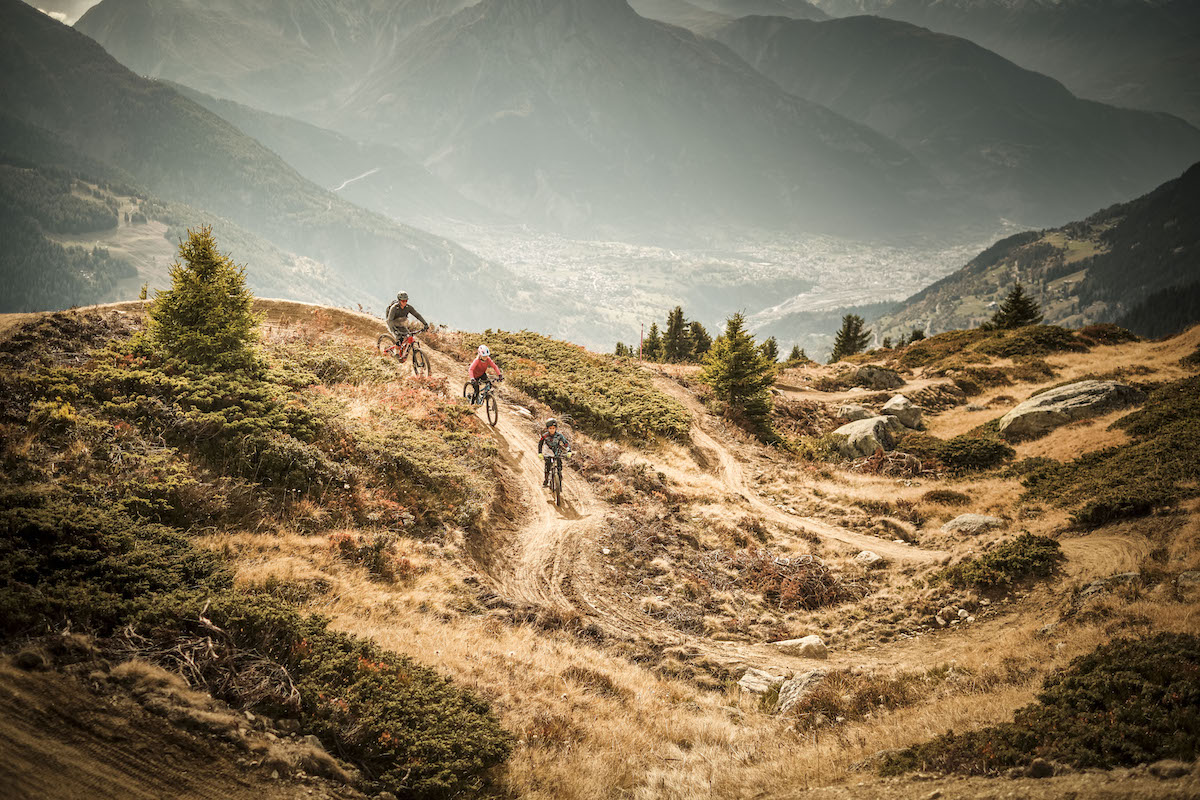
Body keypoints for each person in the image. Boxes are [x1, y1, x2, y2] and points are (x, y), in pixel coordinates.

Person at [385, 292, 429, 358]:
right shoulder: (394, 308)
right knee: (399, 338)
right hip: (392, 324)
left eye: (406, 300)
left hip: (401, 324)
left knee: (408, 336)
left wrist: (425, 324)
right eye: (403, 301)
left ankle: (402, 351)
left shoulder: (408, 307)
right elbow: (390, 321)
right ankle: (396, 354)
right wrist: (395, 331)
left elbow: (417, 315)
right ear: (399, 301)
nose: (405, 302)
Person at [538, 418, 570, 488]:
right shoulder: (545, 436)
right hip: (548, 453)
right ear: (547, 428)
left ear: (556, 428)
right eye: (550, 428)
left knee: (559, 468)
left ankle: (559, 482)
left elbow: (565, 443)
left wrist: (569, 451)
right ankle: (546, 481)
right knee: (547, 467)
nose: (552, 430)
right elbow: (540, 444)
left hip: (557, 453)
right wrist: (540, 453)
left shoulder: (559, 435)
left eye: (553, 428)